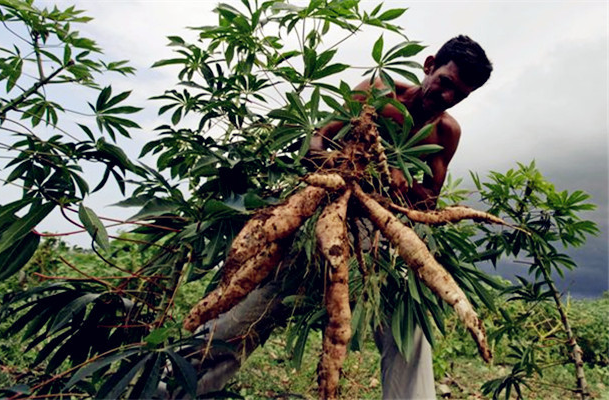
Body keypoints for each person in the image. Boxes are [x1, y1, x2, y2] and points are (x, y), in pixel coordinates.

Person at [181, 35, 492, 400]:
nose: (448, 98)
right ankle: (174, 383)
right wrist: (356, 166)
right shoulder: (379, 91)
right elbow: (314, 145)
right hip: (322, 215)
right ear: (429, 66)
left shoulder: (445, 132)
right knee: (246, 313)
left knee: (409, 331)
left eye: (461, 95)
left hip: (381, 236)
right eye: (445, 84)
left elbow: (429, 202)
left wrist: (402, 182)